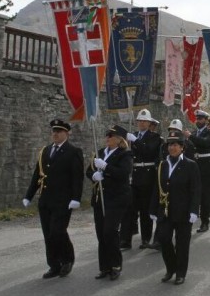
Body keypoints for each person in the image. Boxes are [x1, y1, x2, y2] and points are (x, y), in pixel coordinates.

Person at [23, 119, 84, 279]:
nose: (55, 134)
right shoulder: (46, 150)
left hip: (63, 201)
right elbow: (38, 174)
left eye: (59, 131)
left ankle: (67, 259)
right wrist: (28, 195)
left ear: (66, 133)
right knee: (48, 234)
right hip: (46, 200)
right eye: (53, 131)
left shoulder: (73, 152)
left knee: (58, 231)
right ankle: (54, 265)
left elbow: (77, 177)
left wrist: (76, 198)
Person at [150, 130, 201, 285]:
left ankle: (180, 272)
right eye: (170, 145)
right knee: (164, 238)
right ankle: (170, 268)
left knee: (182, 243)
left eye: (175, 145)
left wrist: (194, 210)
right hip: (165, 210)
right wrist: (153, 209)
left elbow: (196, 189)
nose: (172, 148)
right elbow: (156, 188)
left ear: (182, 147)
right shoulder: (162, 165)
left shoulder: (190, 165)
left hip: (184, 211)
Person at [86, 124, 133, 281]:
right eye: (107, 135)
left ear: (119, 139)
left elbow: (123, 173)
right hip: (100, 198)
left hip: (117, 197)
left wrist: (106, 167)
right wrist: (94, 175)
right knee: (101, 233)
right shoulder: (100, 152)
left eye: (111, 136)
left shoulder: (124, 154)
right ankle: (104, 267)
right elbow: (88, 170)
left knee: (110, 231)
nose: (108, 138)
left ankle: (115, 265)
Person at [121, 109, 162, 250]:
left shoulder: (155, 137)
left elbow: (149, 152)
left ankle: (145, 238)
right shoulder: (133, 136)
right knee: (129, 209)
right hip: (134, 174)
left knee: (145, 210)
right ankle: (126, 240)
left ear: (149, 122)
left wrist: (136, 141)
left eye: (144, 121)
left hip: (147, 175)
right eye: (139, 121)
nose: (141, 123)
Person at [186, 113, 210, 233]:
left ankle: (204, 222)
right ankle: (192, 216)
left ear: (206, 120)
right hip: (194, 165)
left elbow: (205, 143)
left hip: (206, 167)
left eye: (201, 119)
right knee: (192, 193)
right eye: (197, 118)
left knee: (205, 195)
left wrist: (190, 137)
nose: (198, 120)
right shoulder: (193, 133)